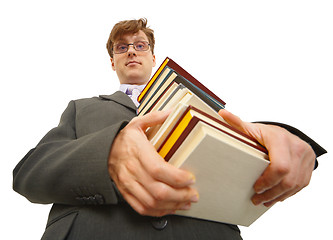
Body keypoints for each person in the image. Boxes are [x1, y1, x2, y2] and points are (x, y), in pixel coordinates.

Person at [13, 18, 326, 240]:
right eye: (122, 48)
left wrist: (279, 138)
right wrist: (108, 155)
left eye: (139, 45)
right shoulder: (82, 107)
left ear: (152, 55)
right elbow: (29, 173)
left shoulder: (194, 101)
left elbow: (236, 142)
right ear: (112, 62)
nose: (131, 51)